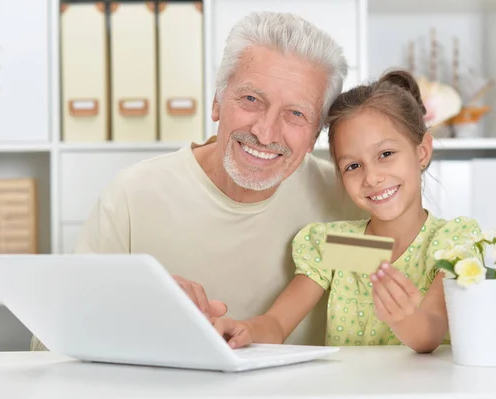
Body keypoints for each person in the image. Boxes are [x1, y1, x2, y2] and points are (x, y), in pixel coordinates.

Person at [30, 12, 365, 351]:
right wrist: (138, 304)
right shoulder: (134, 197)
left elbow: (397, 303)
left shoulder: (348, 202)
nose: (265, 132)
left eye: (296, 114)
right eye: (251, 99)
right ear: (218, 102)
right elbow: (47, 346)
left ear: (315, 136)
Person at [213, 70, 483, 354]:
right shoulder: (346, 247)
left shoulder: (450, 242)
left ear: (422, 152)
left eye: (386, 154)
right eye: (353, 166)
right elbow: (277, 324)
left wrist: (407, 318)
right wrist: (248, 330)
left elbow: (431, 331)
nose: (372, 177)